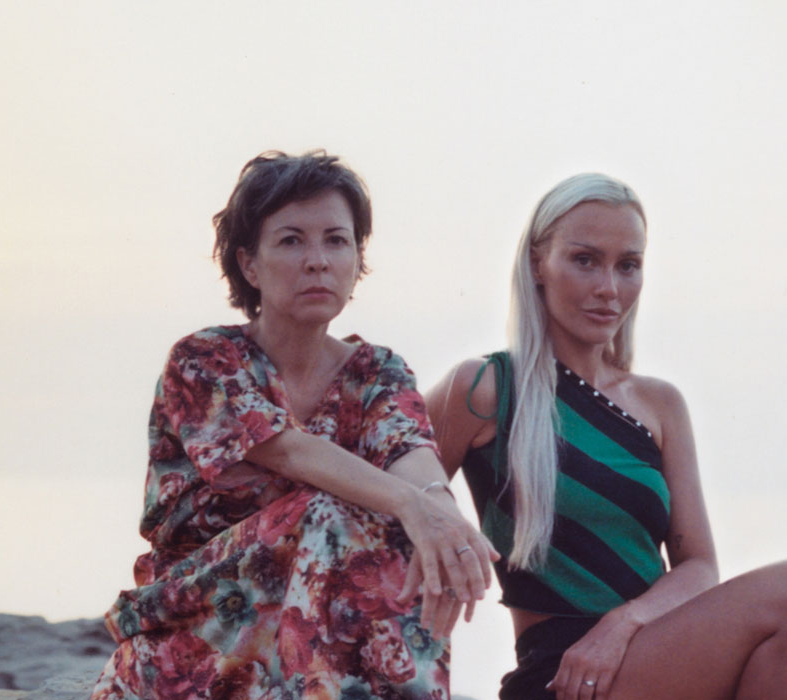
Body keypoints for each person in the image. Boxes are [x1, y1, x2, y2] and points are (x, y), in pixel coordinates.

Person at [93, 150, 498, 700]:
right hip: (198, 628)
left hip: (315, 644)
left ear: (357, 258)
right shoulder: (205, 360)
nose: (318, 261)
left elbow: (409, 450)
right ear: (249, 265)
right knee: (339, 511)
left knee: (415, 527)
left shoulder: (377, 370)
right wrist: (413, 506)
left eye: (336, 240)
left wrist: (442, 518)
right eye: (291, 241)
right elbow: (288, 451)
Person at [426, 174, 787, 700]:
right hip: (561, 677)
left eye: (628, 265)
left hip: (645, 650)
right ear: (537, 263)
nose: (609, 288)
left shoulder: (661, 404)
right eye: (585, 260)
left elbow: (699, 566)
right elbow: (393, 491)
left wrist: (623, 624)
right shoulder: (486, 387)